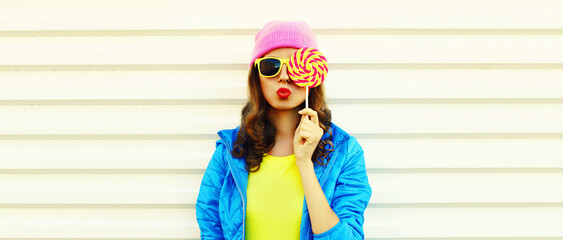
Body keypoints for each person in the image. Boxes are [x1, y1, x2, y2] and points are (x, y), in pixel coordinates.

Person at [196, 20, 372, 240]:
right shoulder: (230, 151)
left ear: (312, 75)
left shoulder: (346, 152)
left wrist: (305, 164)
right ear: (256, 76)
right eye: (271, 66)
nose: (285, 77)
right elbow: (210, 227)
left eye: (296, 66)